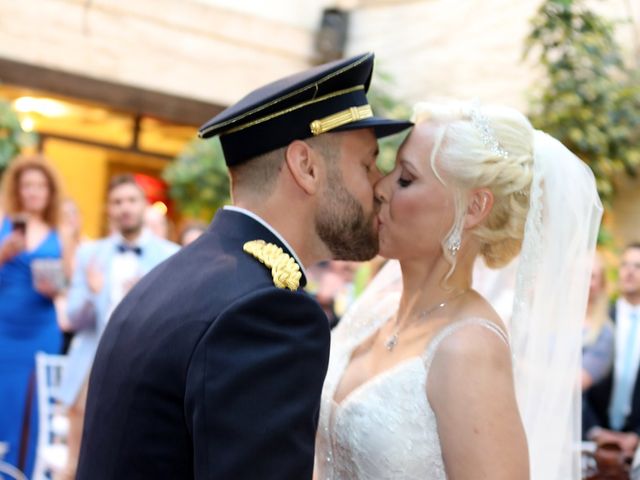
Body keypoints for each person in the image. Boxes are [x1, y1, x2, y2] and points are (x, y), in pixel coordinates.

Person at [76, 53, 411, 479]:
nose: (381, 185)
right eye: (367, 163)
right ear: (306, 167)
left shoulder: (174, 277)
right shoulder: (266, 313)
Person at [315, 100, 602, 479]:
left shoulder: (468, 347)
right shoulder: (375, 311)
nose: (380, 187)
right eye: (391, 169)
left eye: (406, 178)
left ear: (473, 208)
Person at [55, 174, 179, 480]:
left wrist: (144, 299)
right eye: (117, 202)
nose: (124, 208)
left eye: (131, 201)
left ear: (144, 206)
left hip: (144, 369)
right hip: (92, 363)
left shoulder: (170, 256)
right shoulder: (89, 254)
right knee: (74, 462)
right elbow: (73, 317)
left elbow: (174, 322)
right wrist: (95, 294)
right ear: (108, 209)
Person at [0, 155, 66, 477]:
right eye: (27, 185)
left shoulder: (61, 231)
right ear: (17, 189)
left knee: (34, 405)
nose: (34, 191)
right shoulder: (3, 222)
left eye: (40, 185)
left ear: (50, 191)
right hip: (3, 325)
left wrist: (56, 288)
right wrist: (4, 254)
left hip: (41, 327)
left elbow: (73, 283)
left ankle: (22, 472)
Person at [584, 243, 640, 460]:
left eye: (637, 266)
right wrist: (595, 431)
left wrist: (636, 436)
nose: (629, 271)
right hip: (594, 433)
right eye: (625, 264)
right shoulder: (601, 319)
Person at [582, 251, 614, 391]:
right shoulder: (553, 319)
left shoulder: (604, 332)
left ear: (602, 284)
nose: (585, 280)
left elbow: (578, 381)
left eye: (592, 276)